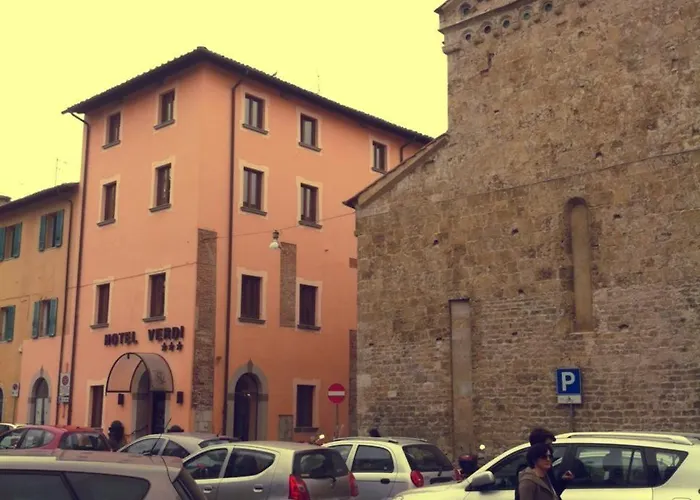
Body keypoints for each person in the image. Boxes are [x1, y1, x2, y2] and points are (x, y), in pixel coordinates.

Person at [514, 428, 572, 500]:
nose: (550, 448)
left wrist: (563, 481)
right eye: (548, 444)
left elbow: (552, 493)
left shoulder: (545, 470)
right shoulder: (527, 475)